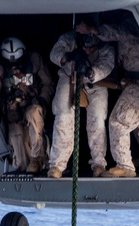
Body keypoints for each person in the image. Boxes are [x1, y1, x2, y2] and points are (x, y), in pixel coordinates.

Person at [75, 18, 139, 178]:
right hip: (137, 82)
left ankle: (125, 165)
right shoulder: (131, 26)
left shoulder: (132, 28)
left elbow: (117, 32)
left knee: (118, 121)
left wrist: (94, 30)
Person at [47, 20, 117, 179]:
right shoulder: (69, 39)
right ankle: (57, 165)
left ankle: (99, 164)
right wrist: (68, 57)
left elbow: (107, 64)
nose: (87, 50)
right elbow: (54, 54)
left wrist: (91, 72)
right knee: (63, 117)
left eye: (91, 47)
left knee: (97, 120)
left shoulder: (105, 45)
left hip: (96, 83)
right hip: (69, 77)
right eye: (84, 47)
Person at [0, 37, 54, 173]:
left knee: (33, 115)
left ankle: (38, 159)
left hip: (33, 107)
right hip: (13, 114)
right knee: (21, 159)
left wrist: (42, 99)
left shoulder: (34, 61)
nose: (14, 65)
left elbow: (48, 84)